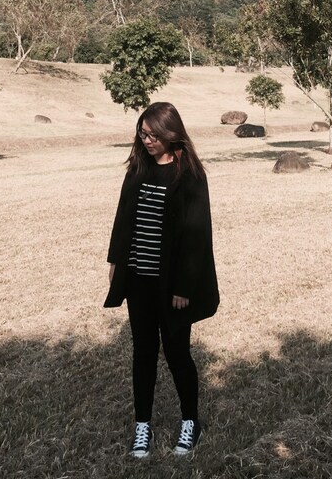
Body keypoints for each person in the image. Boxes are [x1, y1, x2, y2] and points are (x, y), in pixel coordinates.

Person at [104, 102, 219, 458]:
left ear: (171, 134)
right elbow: (123, 217)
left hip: (171, 286)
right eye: (143, 134)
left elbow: (197, 235)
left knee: (177, 353)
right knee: (143, 353)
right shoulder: (138, 168)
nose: (148, 141)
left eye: (154, 135)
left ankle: (190, 422)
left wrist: (184, 286)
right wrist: (115, 260)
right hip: (138, 278)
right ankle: (143, 425)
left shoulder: (190, 175)